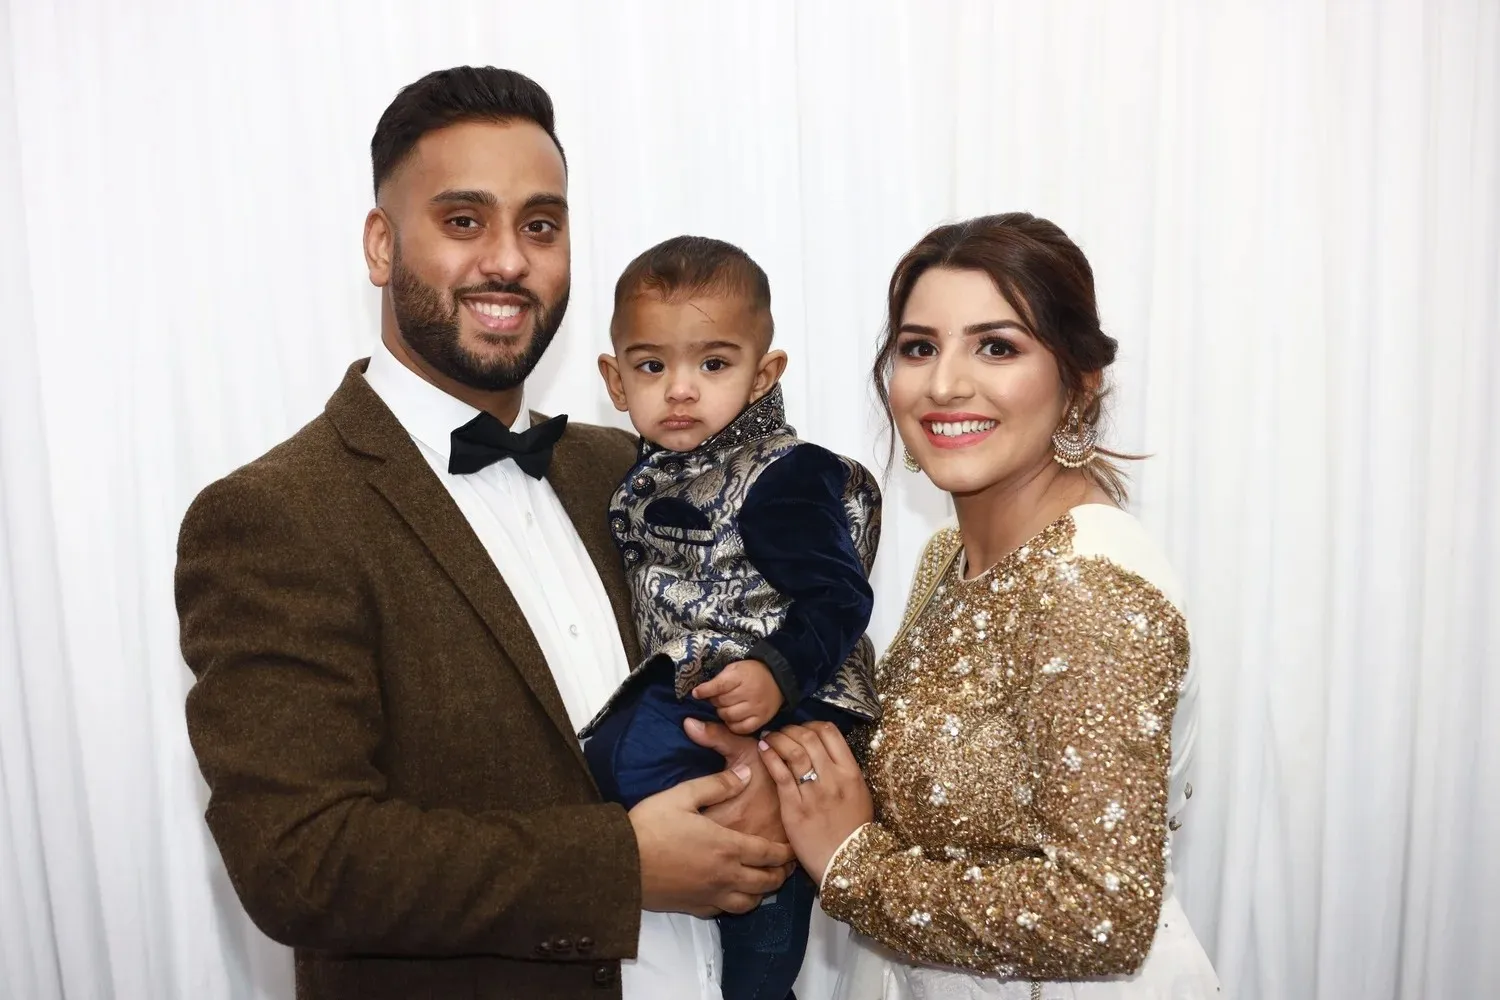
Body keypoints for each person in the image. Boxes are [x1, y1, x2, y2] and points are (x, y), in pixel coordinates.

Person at [174, 66, 794, 1000]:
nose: (508, 260)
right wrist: (619, 866)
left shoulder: (629, 468)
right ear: (381, 244)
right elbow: (300, 858)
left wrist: (779, 775)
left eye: (540, 226)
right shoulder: (276, 516)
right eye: (464, 220)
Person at [758, 213, 1223, 998]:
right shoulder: (950, 556)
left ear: (1079, 383)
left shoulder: (1090, 588)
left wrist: (855, 867)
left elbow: (1102, 913)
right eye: (919, 347)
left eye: (996, 347)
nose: (944, 384)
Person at [583, 235, 883, 1000]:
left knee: (637, 760)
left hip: (790, 690)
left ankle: (762, 971)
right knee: (620, 756)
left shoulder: (783, 474)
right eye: (652, 367)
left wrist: (778, 673)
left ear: (763, 375)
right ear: (615, 380)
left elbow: (842, 598)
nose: (680, 390)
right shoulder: (643, 468)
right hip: (704, 683)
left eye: (713, 364)